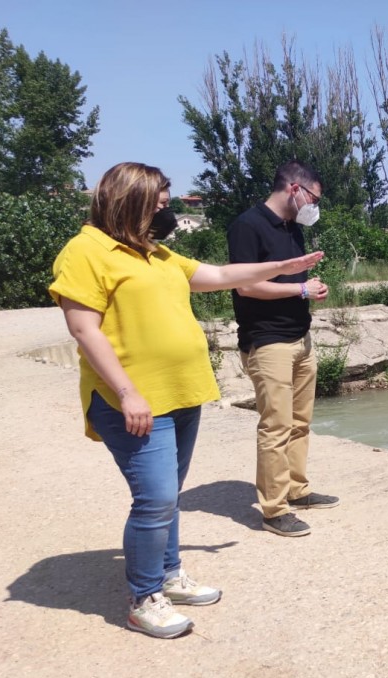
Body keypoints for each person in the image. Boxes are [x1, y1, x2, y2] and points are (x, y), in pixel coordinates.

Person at [49, 162, 324, 639]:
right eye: (159, 204)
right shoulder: (86, 251)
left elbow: (217, 274)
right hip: (132, 400)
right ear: (129, 201)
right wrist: (127, 391)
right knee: (154, 500)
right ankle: (143, 597)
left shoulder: (153, 253)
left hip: (180, 392)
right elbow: (82, 327)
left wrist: (283, 267)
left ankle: (170, 575)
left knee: (168, 497)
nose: (166, 211)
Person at [226, 161, 338, 538]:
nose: (315, 207)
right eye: (314, 198)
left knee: (300, 423)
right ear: (294, 189)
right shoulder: (247, 225)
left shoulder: (293, 229)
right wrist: (299, 289)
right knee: (275, 426)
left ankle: (297, 489)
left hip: (300, 338)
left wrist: (310, 288)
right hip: (266, 340)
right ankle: (274, 510)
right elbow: (245, 286)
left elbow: (292, 279)